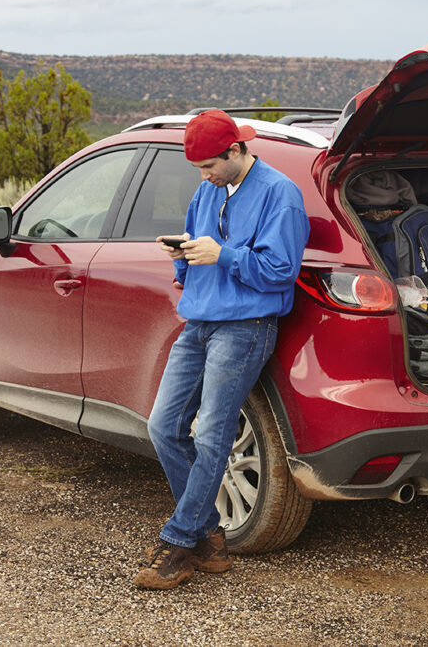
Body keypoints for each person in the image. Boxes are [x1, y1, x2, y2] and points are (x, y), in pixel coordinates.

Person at [133, 110, 310, 590]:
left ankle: (180, 541)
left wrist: (223, 255)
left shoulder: (281, 195)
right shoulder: (207, 190)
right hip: (198, 323)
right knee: (163, 427)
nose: (204, 177)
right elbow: (198, 250)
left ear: (235, 151)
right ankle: (211, 535)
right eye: (198, 170)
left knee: (212, 434)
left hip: (245, 327)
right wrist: (184, 256)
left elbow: (280, 271)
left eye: (209, 166)